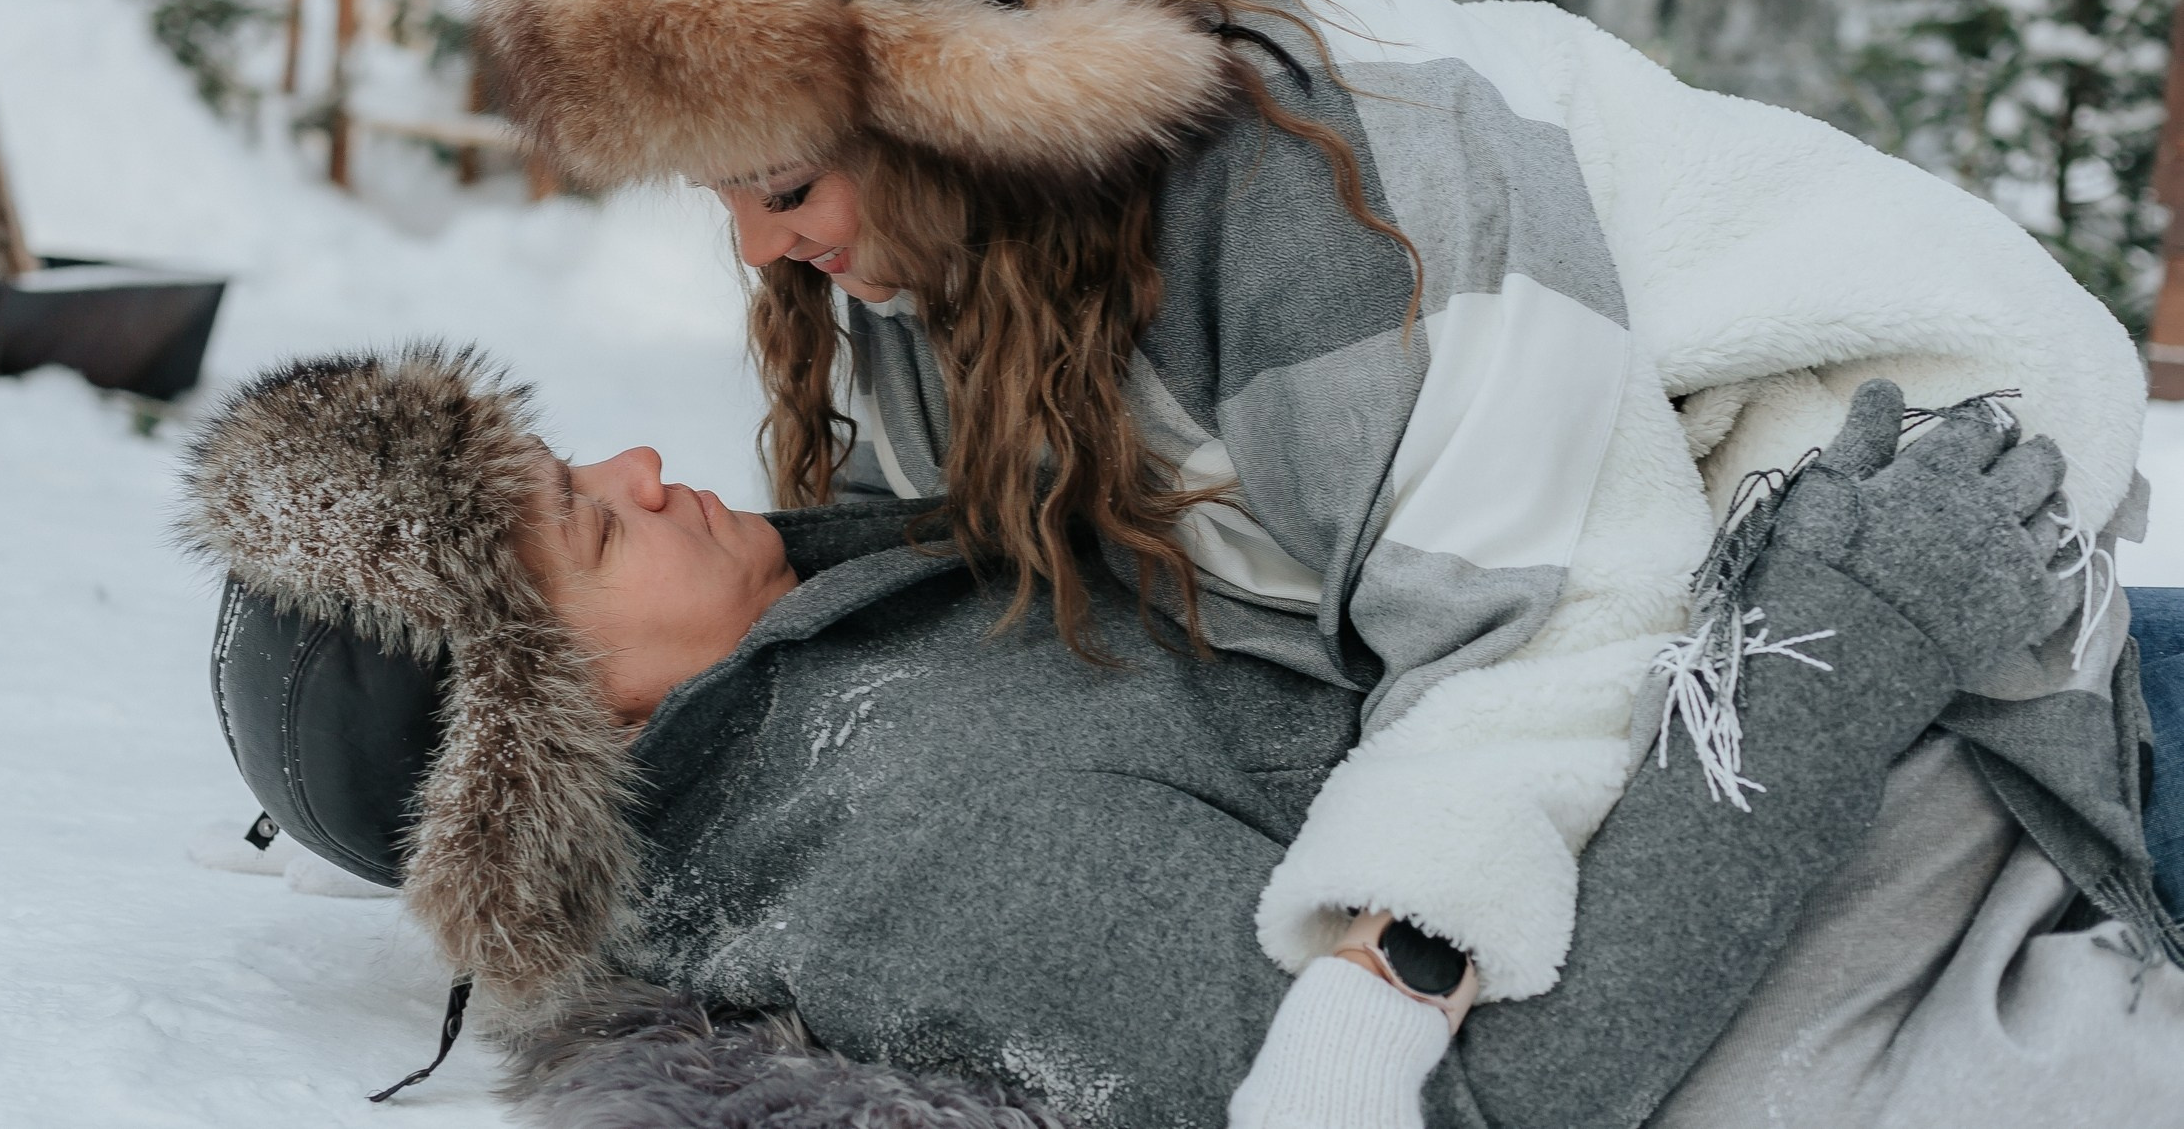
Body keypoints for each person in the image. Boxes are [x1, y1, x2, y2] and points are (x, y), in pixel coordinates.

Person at [468, 0, 2176, 1117]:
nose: (761, 245)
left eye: (780, 184)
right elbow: (994, 610)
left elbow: (1560, 625)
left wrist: (1365, 1022)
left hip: (1898, 447)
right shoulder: (931, 265)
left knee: (1777, 1042)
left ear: (942, 103)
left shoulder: (1307, 203)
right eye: (727, 192)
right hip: (1603, 494)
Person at [181, 346, 2183, 1129]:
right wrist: (1864, 620)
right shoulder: (912, 842)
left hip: (1930, 758)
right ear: (532, 728)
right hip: (1979, 894)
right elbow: (1483, 1098)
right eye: (585, 520)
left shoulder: (830, 653)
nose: (637, 458)